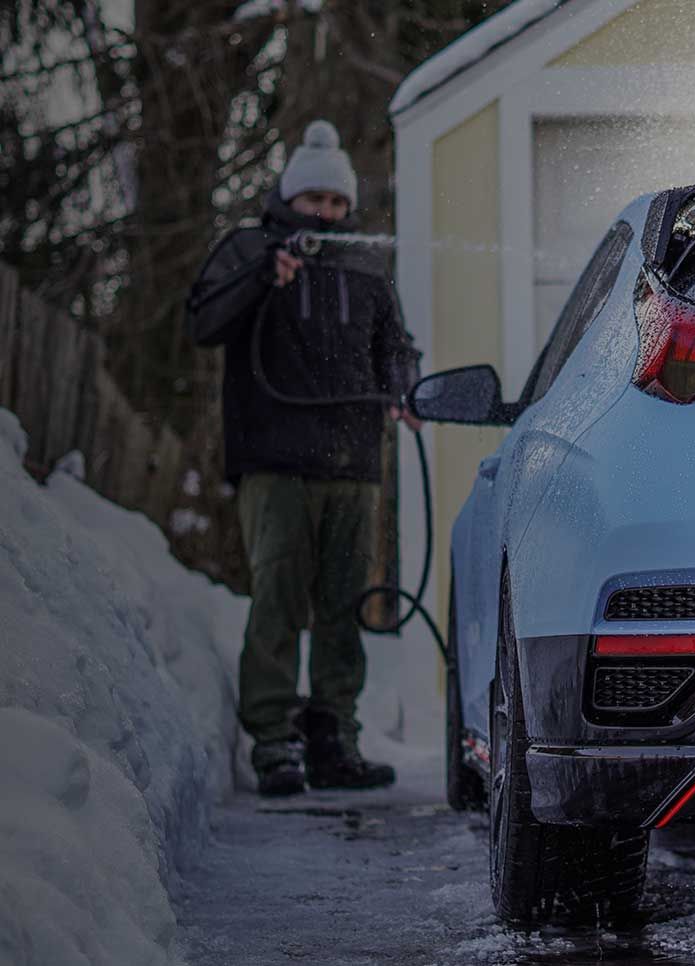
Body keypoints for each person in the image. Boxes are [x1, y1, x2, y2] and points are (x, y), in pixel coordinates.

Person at [186, 120, 421, 796]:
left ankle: (334, 739)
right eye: (315, 200)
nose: (327, 212)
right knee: (278, 603)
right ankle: (272, 743)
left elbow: (394, 345)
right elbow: (203, 323)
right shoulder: (249, 251)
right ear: (291, 197)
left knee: (342, 608)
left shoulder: (365, 265)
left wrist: (403, 386)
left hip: (353, 465)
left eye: (336, 203)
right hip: (275, 460)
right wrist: (264, 275)